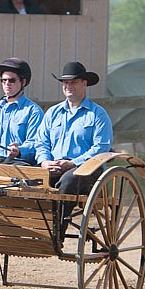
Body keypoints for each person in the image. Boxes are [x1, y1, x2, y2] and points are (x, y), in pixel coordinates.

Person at [34, 60, 113, 195]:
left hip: (87, 169)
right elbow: (41, 142)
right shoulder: (52, 113)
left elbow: (101, 148)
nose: (69, 86)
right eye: (65, 82)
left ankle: (62, 216)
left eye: (74, 82)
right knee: (29, 179)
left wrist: (73, 163)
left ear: (84, 83)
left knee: (68, 179)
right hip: (54, 167)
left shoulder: (98, 114)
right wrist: (45, 162)